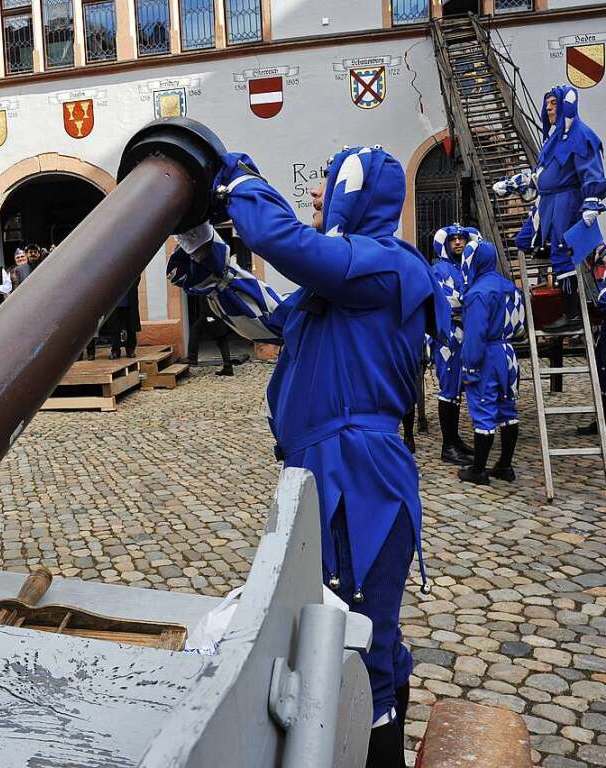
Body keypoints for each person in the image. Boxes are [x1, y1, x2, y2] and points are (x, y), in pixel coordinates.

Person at [168, 146, 450, 767]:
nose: (319, 198)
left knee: (358, 640)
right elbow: (263, 319)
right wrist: (199, 241)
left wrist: (238, 177)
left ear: (358, 193)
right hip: (324, 470)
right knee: (328, 630)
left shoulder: (388, 267)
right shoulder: (338, 285)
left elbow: (282, 240)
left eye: (329, 186)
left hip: (362, 476)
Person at [517, 86, 605, 333]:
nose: (548, 108)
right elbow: (541, 174)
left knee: (562, 253)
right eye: (547, 104)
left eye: (554, 103)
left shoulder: (582, 135)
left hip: (567, 201)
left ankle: (571, 313)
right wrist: (515, 184)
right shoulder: (554, 138)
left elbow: (592, 171)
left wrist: (591, 202)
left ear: (566, 105)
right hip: (548, 202)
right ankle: (546, 247)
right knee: (524, 239)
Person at [458, 241, 526, 485]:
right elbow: (520, 326)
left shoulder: (478, 292)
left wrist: (469, 367)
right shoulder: (509, 286)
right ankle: (505, 466)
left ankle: (478, 470)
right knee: (507, 408)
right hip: (507, 352)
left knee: (484, 408)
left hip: (487, 354)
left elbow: (475, 336)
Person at [431, 224, 480, 466]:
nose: (458, 243)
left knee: (457, 388)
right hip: (447, 335)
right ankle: (448, 445)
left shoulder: (468, 267)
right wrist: (471, 298)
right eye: (453, 240)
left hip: (465, 333)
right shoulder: (439, 269)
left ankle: (455, 439)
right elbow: (450, 301)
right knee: (449, 387)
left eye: (462, 238)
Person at [185, 293, 236, 376]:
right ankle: (228, 367)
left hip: (210, 315)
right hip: (214, 314)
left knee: (195, 330)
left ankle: (192, 358)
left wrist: (208, 317)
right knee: (221, 339)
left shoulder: (207, 286)